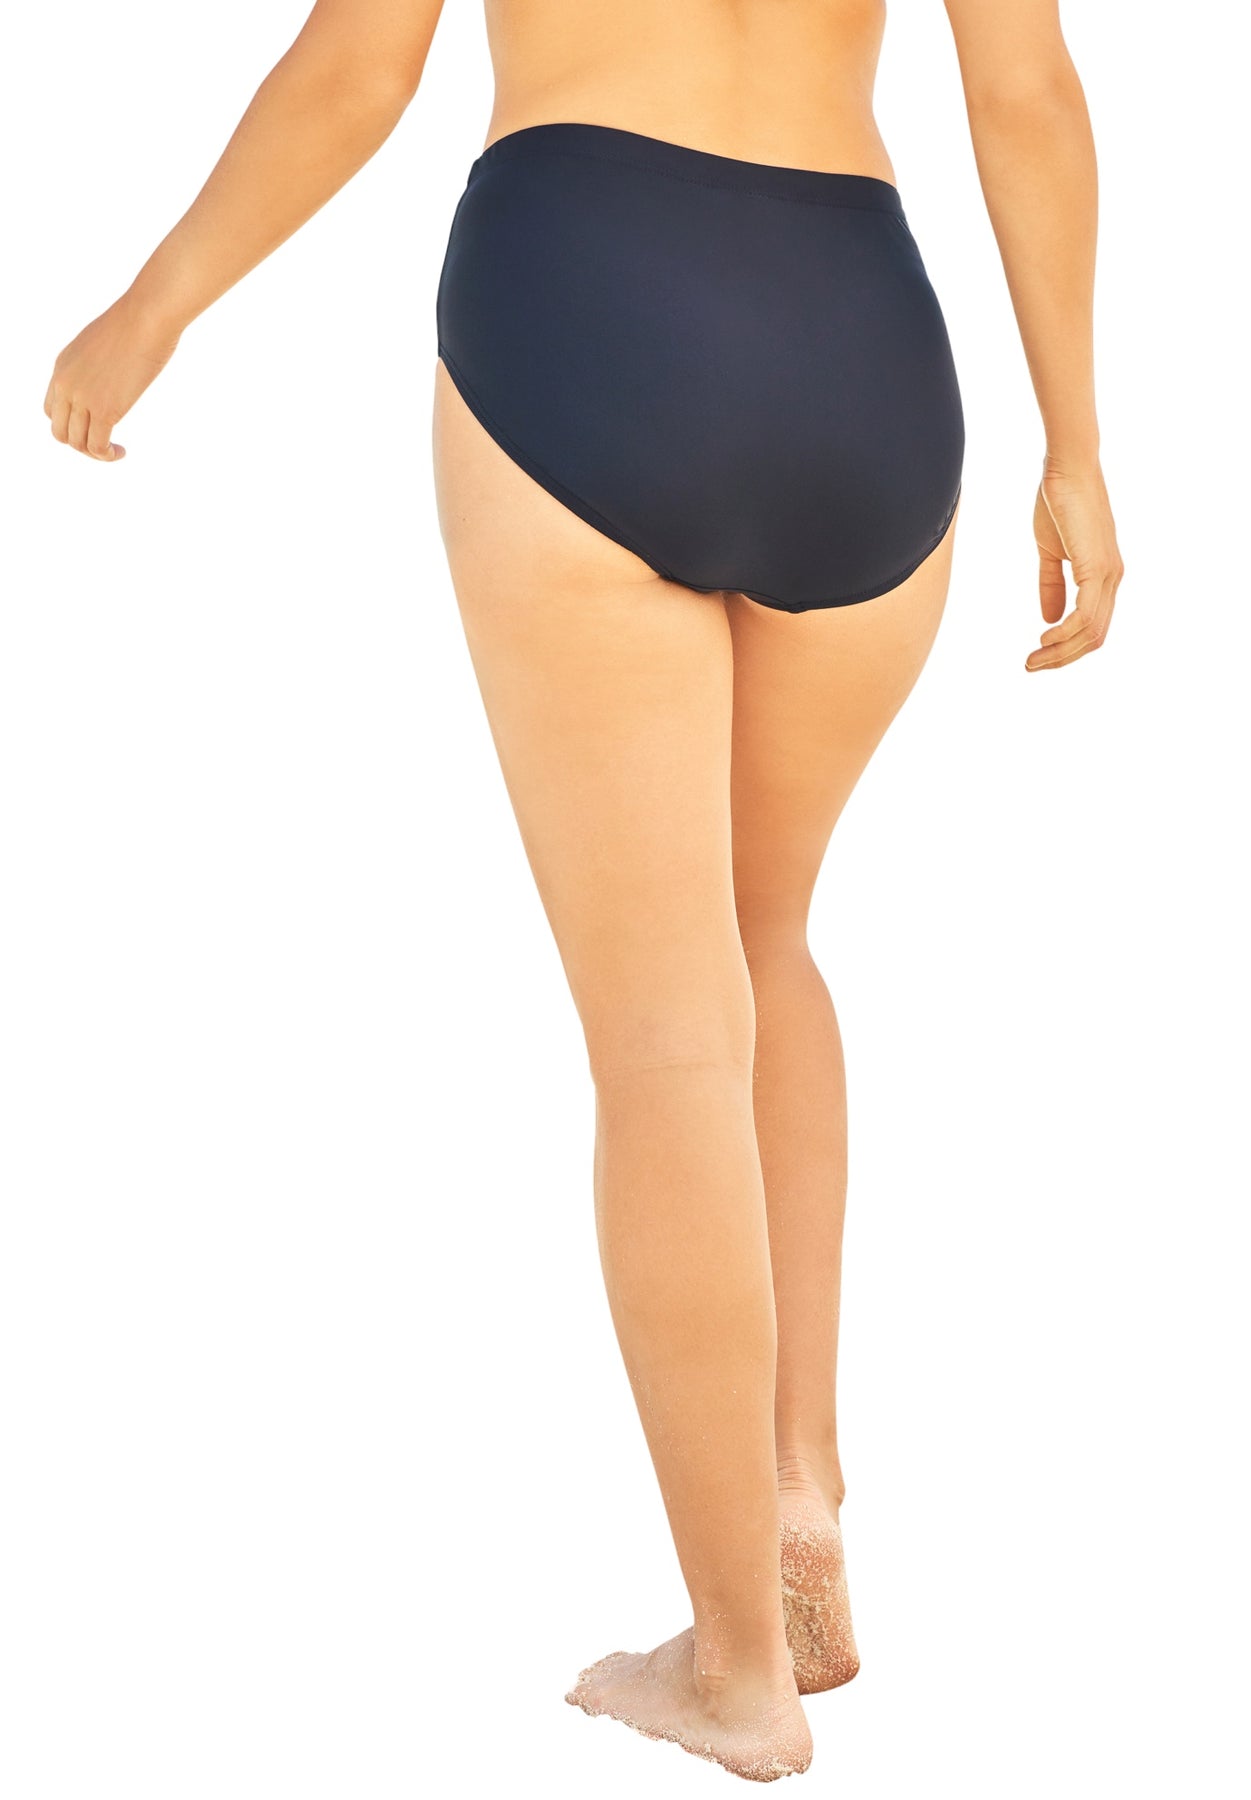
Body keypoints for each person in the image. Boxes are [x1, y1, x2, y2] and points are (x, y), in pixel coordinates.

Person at [42, 0, 1124, 1782]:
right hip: (862, 349)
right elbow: (1027, 93)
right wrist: (1075, 445)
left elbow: (359, 66)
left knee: (666, 1038)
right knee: (765, 940)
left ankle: (735, 1667)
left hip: (585, 295)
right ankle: (796, 1486)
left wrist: (149, 310)